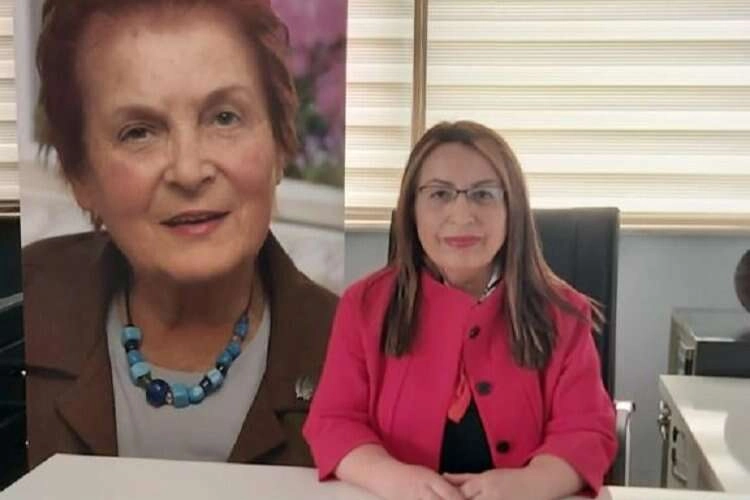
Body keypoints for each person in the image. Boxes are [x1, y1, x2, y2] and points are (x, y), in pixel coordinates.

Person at [23, 0, 337, 468]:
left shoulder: (356, 347)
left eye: (224, 117)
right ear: (80, 176)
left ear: (280, 144)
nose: (189, 172)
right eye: (138, 132)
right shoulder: (24, 302)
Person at [304, 121, 617, 500]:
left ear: (512, 208)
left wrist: (526, 486)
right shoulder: (364, 305)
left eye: (483, 194)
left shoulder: (564, 313)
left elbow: (586, 432)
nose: (462, 214)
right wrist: (395, 480)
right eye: (439, 194)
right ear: (411, 209)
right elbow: (334, 422)